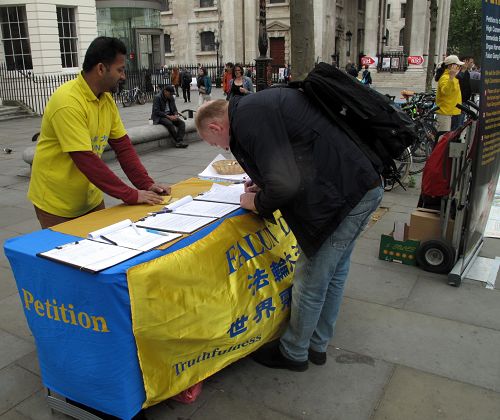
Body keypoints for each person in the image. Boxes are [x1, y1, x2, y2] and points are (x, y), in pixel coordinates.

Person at [195, 91, 383, 372]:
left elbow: (285, 184)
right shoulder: (253, 107)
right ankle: (317, 344)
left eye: (215, 143)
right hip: (361, 184)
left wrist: (256, 202)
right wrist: (265, 184)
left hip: (342, 197)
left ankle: (294, 352)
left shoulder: (247, 119)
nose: (221, 148)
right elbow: (292, 158)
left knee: (311, 276)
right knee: (335, 271)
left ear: (215, 127)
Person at [28, 36, 170, 229]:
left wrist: (145, 184)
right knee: (67, 257)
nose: (123, 76)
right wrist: (130, 194)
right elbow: (85, 159)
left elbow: (123, 147)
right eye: (120, 70)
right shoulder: (68, 102)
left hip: (90, 198)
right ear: (101, 68)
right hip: (56, 204)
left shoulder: (106, 100)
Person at [435, 54, 463, 133]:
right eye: (457, 65)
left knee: (449, 138)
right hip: (445, 113)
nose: (459, 68)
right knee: (443, 139)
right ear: (451, 66)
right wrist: (451, 77)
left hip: (452, 112)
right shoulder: (445, 77)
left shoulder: (453, 77)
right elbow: (446, 92)